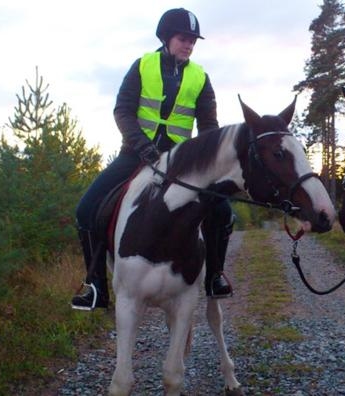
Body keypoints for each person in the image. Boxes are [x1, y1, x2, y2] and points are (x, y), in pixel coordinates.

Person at [71, 7, 234, 311]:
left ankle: (214, 276)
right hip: (135, 156)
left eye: (193, 41)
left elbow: (208, 126)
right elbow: (123, 111)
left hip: (181, 163)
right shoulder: (142, 66)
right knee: (86, 210)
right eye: (184, 38)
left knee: (223, 212)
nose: (189, 44)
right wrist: (143, 147)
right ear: (166, 37)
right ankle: (96, 285)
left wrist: (204, 160)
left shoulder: (200, 77)